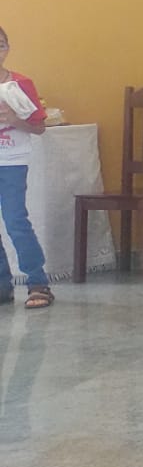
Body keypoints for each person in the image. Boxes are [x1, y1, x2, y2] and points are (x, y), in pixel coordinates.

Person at [0, 26, 51, 310]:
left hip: (11, 160)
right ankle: (2, 285)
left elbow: (39, 127)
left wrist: (15, 120)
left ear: (8, 48)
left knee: (15, 221)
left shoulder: (20, 84)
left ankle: (37, 281)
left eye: (1, 44)